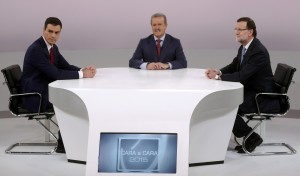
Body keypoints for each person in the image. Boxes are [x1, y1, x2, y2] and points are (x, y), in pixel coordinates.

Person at [20, 17, 96, 153]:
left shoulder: (52, 48)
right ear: (43, 30)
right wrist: (83, 76)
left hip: (44, 90)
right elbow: (55, 74)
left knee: (71, 98)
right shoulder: (36, 50)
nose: (53, 35)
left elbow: (65, 66)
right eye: (50, 31)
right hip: (34, 96)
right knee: (70, 101)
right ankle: (63, 144)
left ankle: (68, 140)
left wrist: (83, 70)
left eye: (57, 32)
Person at [205, 17, 280, 153]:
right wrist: (219, 71)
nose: (237, 32)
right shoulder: (244, 47)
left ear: (250, 32)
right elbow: (234, 66)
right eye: (236, 29)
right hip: (251, 91)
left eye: (240, 29)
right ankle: (249, 136)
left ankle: (251, 137)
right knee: (225, 104)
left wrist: (217, 77)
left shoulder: (258, 52)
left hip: (261, 97)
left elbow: (242, 76)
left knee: (227, 105)